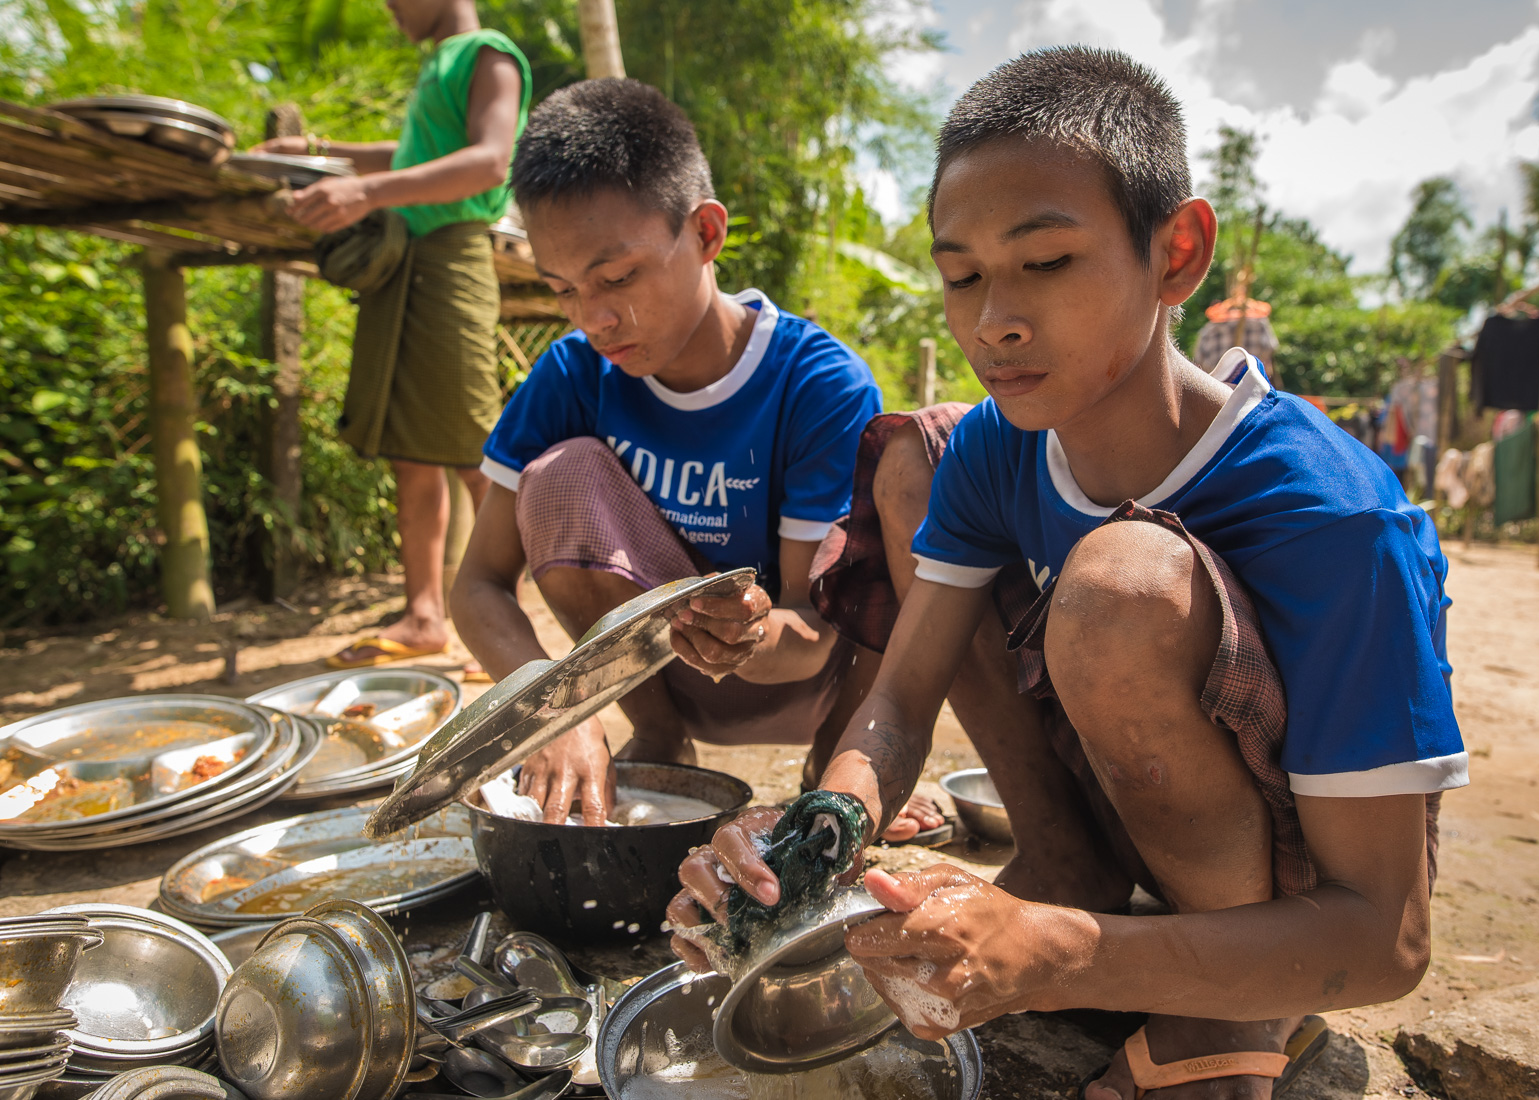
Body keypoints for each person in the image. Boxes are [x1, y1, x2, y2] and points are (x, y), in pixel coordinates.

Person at [669, 46, 1465, 1100]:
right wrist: (816, 833)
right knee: (918, 454)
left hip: (1294, 881)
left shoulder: (1338, 516)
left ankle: (1218, 1018)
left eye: (1045, 264)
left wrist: (1067, 954)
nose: (992, 316)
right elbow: (899, 702)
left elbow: (1388, 934)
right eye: (961, 274)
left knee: (1119, 588)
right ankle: (1065, 864)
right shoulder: (1002, 449)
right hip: (1127, 803)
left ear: (1175, 252)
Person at [450, 79, 945, 837]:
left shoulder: (816, 383)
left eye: (617, 279)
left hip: (803, 675)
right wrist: (555, 710)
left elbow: (813, 638)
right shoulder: (573, 373)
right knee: (559, 477)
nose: (596, 318)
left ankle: (838, 759)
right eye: (563, 290)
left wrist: (749, 633)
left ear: (707, 234)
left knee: (914, 483)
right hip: (660, 673)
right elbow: (478, 585)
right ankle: (659, 736)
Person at [254, 0, 531, 669]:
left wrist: (370, 193)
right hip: (407, 265)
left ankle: (505, 624)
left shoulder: (487, 53)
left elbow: (489, 161)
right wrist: (319, 152)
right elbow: (415, 156)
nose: (389, 10)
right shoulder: (437, 64)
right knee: (410, 449)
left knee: (475, 451)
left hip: (451, 260)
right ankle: (424, 615)